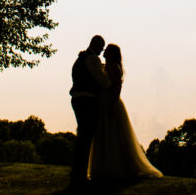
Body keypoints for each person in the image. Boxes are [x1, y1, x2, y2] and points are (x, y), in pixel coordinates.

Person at [88, 44, 163, 180]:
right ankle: (103, 168)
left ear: (112, 54)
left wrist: (111, 104)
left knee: (112, 135)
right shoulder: (106, 66)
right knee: (104, 134)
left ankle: (114, 168)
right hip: (103, 102)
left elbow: (117, 88)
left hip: (110, 102)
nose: (104, 52)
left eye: (107, 51)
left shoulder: (114, 67)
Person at [70, 34, 109, 187]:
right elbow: (103, 81)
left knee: (83, 135)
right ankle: (79, 174)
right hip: (87, 98)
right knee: (86, 137)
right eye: (101, 47)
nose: (102, 51)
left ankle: (77, 171)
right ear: (97, 45)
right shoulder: (92, 59)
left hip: (78, 98)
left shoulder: (80, 58)